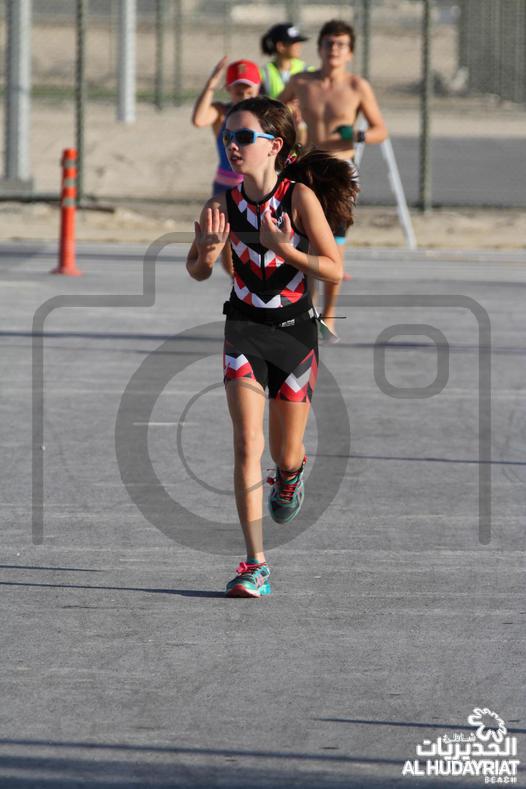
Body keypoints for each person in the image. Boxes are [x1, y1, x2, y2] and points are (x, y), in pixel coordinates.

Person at [186, 96, 358, 597]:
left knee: (285, 452)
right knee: (246, 443)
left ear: (274, 145)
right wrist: (207, 254)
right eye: (228, 138)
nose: (232, 146)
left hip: (294, 335)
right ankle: (254, 564)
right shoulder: (220, 205)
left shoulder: (298, 199)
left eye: (243, 137)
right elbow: (196, 270)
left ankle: (290, 474)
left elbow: (334, 269)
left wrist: (285, 248)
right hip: (243, 329)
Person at [279, 19, 388, 337]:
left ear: (350, 52)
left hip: (340, 171)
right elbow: (273, 111)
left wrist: (357, 134)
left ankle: (328, 314)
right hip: (309, 169)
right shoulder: (302, 81)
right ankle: (306, 309)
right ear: (320, 48)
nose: (334, 50)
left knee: (333, 249)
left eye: (341, 45)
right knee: (305, 243)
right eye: (329, 43)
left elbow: (381, 130)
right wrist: (290, 120)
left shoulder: (357, 86)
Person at [191, 58, 261, 275]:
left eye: (249, 91)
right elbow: (199, 120)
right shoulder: (222, 113)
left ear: (258, 89)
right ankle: (239, 286)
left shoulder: (264, 115)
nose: (244, 97)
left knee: (258, 246)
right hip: (226, 188)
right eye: (238, 92)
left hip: (254, 187)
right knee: (229, 256)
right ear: (228, 89)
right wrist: (211, 84)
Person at [259, 23, 310, 99]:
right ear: (281, 46)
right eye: (294, 43)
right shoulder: (263, 73)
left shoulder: (307, 70)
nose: (299, 46)